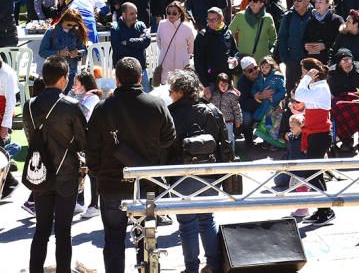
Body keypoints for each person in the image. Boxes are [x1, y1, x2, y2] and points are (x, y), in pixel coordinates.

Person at [86, 57, 176, 273]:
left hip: (112, 183)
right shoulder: (156, 105)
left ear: (117, 80)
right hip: (146, 183)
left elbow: (91, 149)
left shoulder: (102, 108)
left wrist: (99, 174)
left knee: (114, 240)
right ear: (139, 78)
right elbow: (169, 138)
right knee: (147, 239)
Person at [22, 55, 88, 273]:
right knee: (63, 231)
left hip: (39, 169)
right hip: (66, 172)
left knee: (41, 229)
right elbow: (83, 141)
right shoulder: (71, 106)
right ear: (63, 78)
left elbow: (31, 136)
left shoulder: (29, 105)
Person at [167, 69, 234, 272]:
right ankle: (213, 265)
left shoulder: (171, 114)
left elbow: (164, 147)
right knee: (207, 219)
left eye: (171, 90)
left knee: (187, 223)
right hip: (210, 173)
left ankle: (191, 268)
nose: (169, 94)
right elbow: (226, 144)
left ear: (179, 92)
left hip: (182, 176)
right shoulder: (212, 110)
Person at [292, 58, 335, 223]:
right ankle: (322, 209)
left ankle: (326, 210)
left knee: (312, 173)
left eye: (304, 70)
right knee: (315, 174)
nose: (302, 74)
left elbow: (299, 95)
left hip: (320, 135)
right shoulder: (316, 87)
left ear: (312, 73)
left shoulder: (321, 87)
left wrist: (306, 78)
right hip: (315, 134)